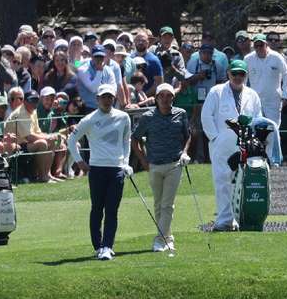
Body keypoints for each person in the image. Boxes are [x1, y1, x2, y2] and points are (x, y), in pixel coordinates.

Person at [67, 84, 133, 260]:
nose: (107, 100)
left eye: (110, 97)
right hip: (96, 169)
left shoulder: (124, 117)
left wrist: (125, 163)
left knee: (112, 209)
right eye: (103, 97)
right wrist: (79, 161)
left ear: (114, 98)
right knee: (97, 208)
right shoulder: (89, 119)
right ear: (97, 99)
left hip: (117, 169)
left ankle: (107, 246)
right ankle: (98, 246)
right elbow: (71, 141)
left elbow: (126, 141)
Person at [200, 59, 262, 231]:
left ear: (246, 75)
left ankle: (238, 218)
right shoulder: (216, 91)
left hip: (244, 144)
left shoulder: (252, 94)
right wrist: (215, 138)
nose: (237, 77)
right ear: (228, 73)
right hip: (222, 144)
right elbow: (206, 116)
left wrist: (251, 131)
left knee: (241, 182)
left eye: (241, 74)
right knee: (222, 181)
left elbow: (258, 118)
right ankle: (224, 220)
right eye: (234, 73)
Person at [132, 83, 192, 251]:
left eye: (169, 96)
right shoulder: (147, 117)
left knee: (167, 204)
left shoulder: (181, 114)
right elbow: (135, 140)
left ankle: (159, 240)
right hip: (154, 165)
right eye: (162, 96)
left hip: (174, 164)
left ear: (173, 97)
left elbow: (188, 136)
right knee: (159, 204)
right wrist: (143, 161)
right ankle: (168, 237)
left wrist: (184, 153)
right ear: (156, 98)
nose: (165, 99)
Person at [244, 33, 287, 163]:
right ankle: (255, 158)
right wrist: (243, 97)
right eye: (256, 45)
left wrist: (286, 95)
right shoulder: (248, 59)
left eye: (261, 44)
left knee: (273, 129)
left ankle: (274, 160)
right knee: (253, 128)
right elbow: (243, 79)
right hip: (254, 100)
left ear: (266, 44)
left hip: (273, 100)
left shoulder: (277, 57)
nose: (259, 47)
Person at [5, 89, 66, 182]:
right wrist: (48, 137)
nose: (34, 103)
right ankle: (42, 176)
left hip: (25, 144)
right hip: (15, 146)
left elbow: (37, 132)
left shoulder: (33, 111)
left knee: (54, 141)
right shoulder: (20, 113)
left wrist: (51, 136)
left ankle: (47, 174)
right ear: (25, 101)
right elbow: (29, 137)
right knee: (42, 143)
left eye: (36, 100)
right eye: (31, 100)